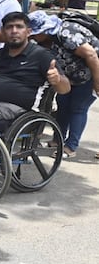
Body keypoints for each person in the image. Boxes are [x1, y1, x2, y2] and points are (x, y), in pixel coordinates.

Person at [0, 12, 70, 124]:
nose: (14, 31)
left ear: (28, 32)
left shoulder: (41, 56)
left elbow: (65, 88)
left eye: (19, 27)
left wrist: (57, 80)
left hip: (21, 111)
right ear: (3, 32)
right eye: (9, 27)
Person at [28, 10, 99, 158]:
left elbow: (91, 55)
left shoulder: (66, 33)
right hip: (72, 77)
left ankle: (71, 146)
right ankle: (58, 139)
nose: (32, 37)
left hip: (91, 73)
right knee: (63, 103)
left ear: (44, 30)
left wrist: (97, 82)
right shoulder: (48, 40)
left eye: (34, 34)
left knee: (78, 108)